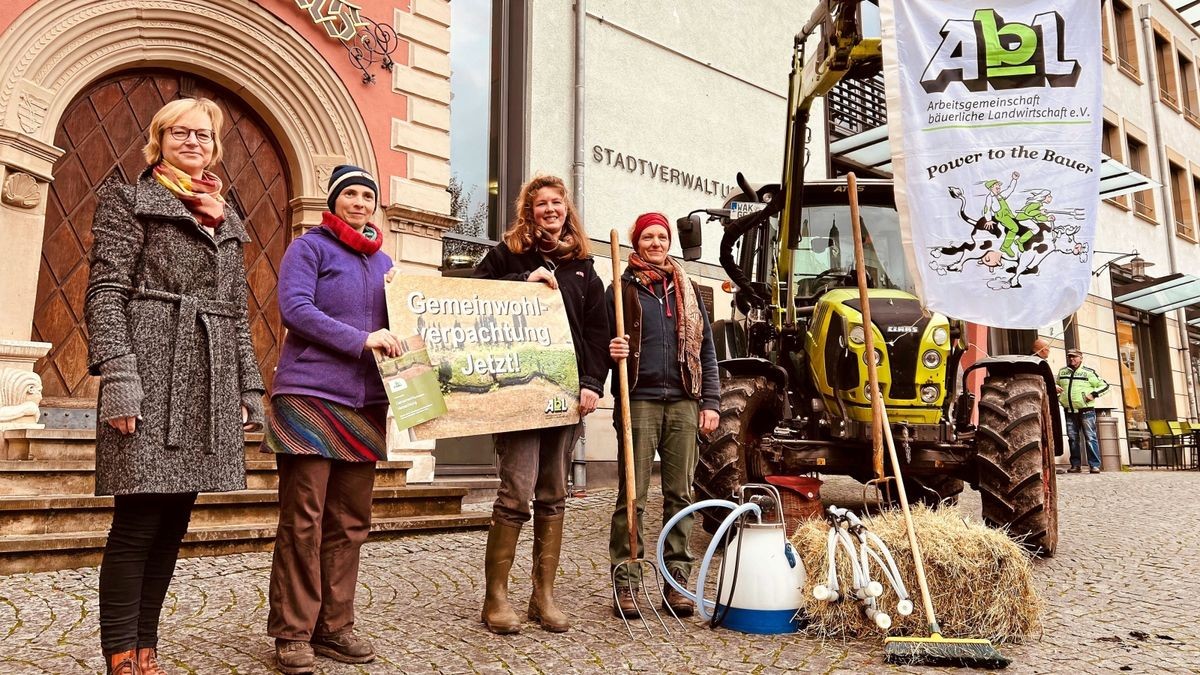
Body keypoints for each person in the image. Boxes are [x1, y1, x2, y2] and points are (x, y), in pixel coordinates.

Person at [85, 97, 264, 675]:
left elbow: (235, 311)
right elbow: (106, 292)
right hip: (147, 366)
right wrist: (117, 377)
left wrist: (246, 387)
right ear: (158, 139)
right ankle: (120, 655)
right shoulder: (128, 197)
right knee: (137, 519)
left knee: (175, 519)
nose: (193, 142)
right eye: (180, 133)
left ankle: (147, 649)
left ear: (215, 148)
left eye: (204, 136)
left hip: (206, 377)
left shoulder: (226, 216)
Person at [265, 165, 402, 673]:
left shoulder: (384, 262)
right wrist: (359, 339)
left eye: (368, 195)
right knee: (304, 519)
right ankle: (293, 631)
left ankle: (334, 626)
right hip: (309, 395)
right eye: (351, 194)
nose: (360, 202)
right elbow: (294, 309)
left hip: (366, 402)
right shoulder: (310, 248)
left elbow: (405, 323)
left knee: (350, 521)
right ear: (334, 201)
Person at [472, 174, 608, 634]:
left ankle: (542, 597)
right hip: (516, 392)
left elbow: (596, 332)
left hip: (564, 395)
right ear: (527, 212)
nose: (550, 209)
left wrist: (591, 382)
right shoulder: (506, 254)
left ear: (566, 208)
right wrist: (520, 280)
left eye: (557, 202)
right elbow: (471, 299)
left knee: (553, 494)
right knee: (516, 493)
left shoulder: (585, 268)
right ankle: (496, 600)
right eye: (540, 204)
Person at [607, 212, 720, 619]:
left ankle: (677, 584)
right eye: (647, 237)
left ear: (668, 242)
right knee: (633, 496)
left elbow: (706, 351)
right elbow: (600, 341)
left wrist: (711, 401)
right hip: (639, 400)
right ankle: (627, 582)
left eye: (661, 236)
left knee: (681, 495)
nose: (655, 243)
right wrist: (612, 349)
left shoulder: (688, 290)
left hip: (685, 403)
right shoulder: (621, 291)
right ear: (636, 243)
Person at [1057, 349, 1110, 474]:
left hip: (1086, 410)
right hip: (1069, 410)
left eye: (1074, 357)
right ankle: (1075, 465)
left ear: (1081, 358)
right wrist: (1056, 389)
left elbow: (1105, 385)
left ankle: (1094, 465)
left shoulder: (1088, 373)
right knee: (1073, 438)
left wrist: (1093, 394)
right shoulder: (1062, 371)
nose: (1071, 359)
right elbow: (1056, 384)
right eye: (1069, 357)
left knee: (1090, 437)